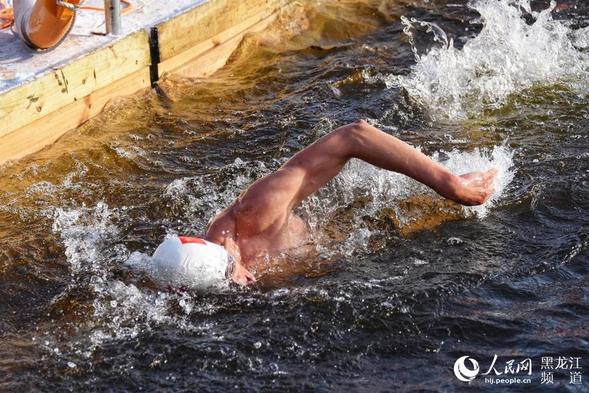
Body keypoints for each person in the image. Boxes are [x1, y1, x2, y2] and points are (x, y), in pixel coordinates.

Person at [152, 120, 497, 287]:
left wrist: (449, 185)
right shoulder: (183, 281)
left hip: (349, 233)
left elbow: (353, 136)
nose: (242, 284)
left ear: (225, 254)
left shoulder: (254, 215)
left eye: (232, 273)